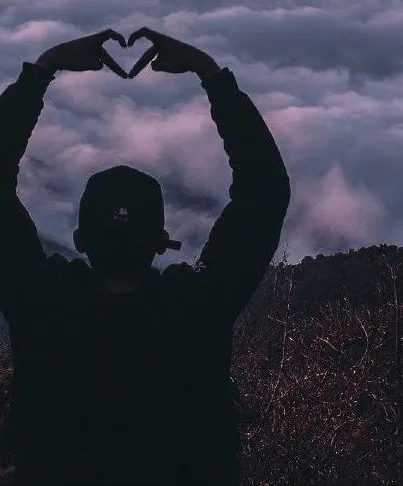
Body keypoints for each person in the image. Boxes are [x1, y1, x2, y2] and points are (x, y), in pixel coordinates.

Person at [0, 26, 291, 486]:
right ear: (161, 241)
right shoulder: (197, 308)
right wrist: (210, 74)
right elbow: (264, 192)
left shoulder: (40, 304)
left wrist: (43, 70)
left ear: (79, 240)